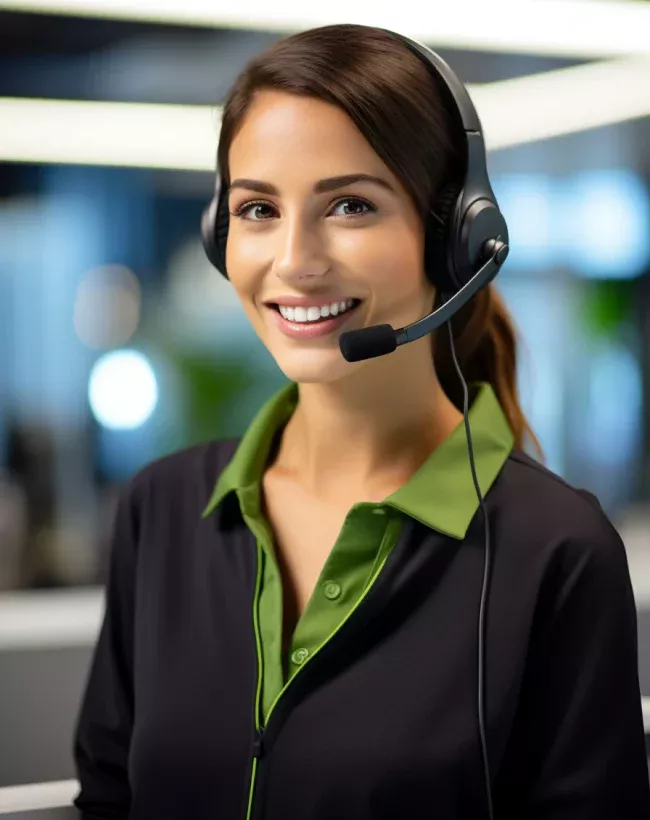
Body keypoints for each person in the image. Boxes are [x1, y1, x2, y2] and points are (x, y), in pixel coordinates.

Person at [73, 23, 650, 820]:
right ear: (219, 234)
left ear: (453, 239)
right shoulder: (162, 509)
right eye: (257, 209)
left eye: (349, 205)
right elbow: (108, 799)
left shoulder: (555, 552)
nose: (295, 261)